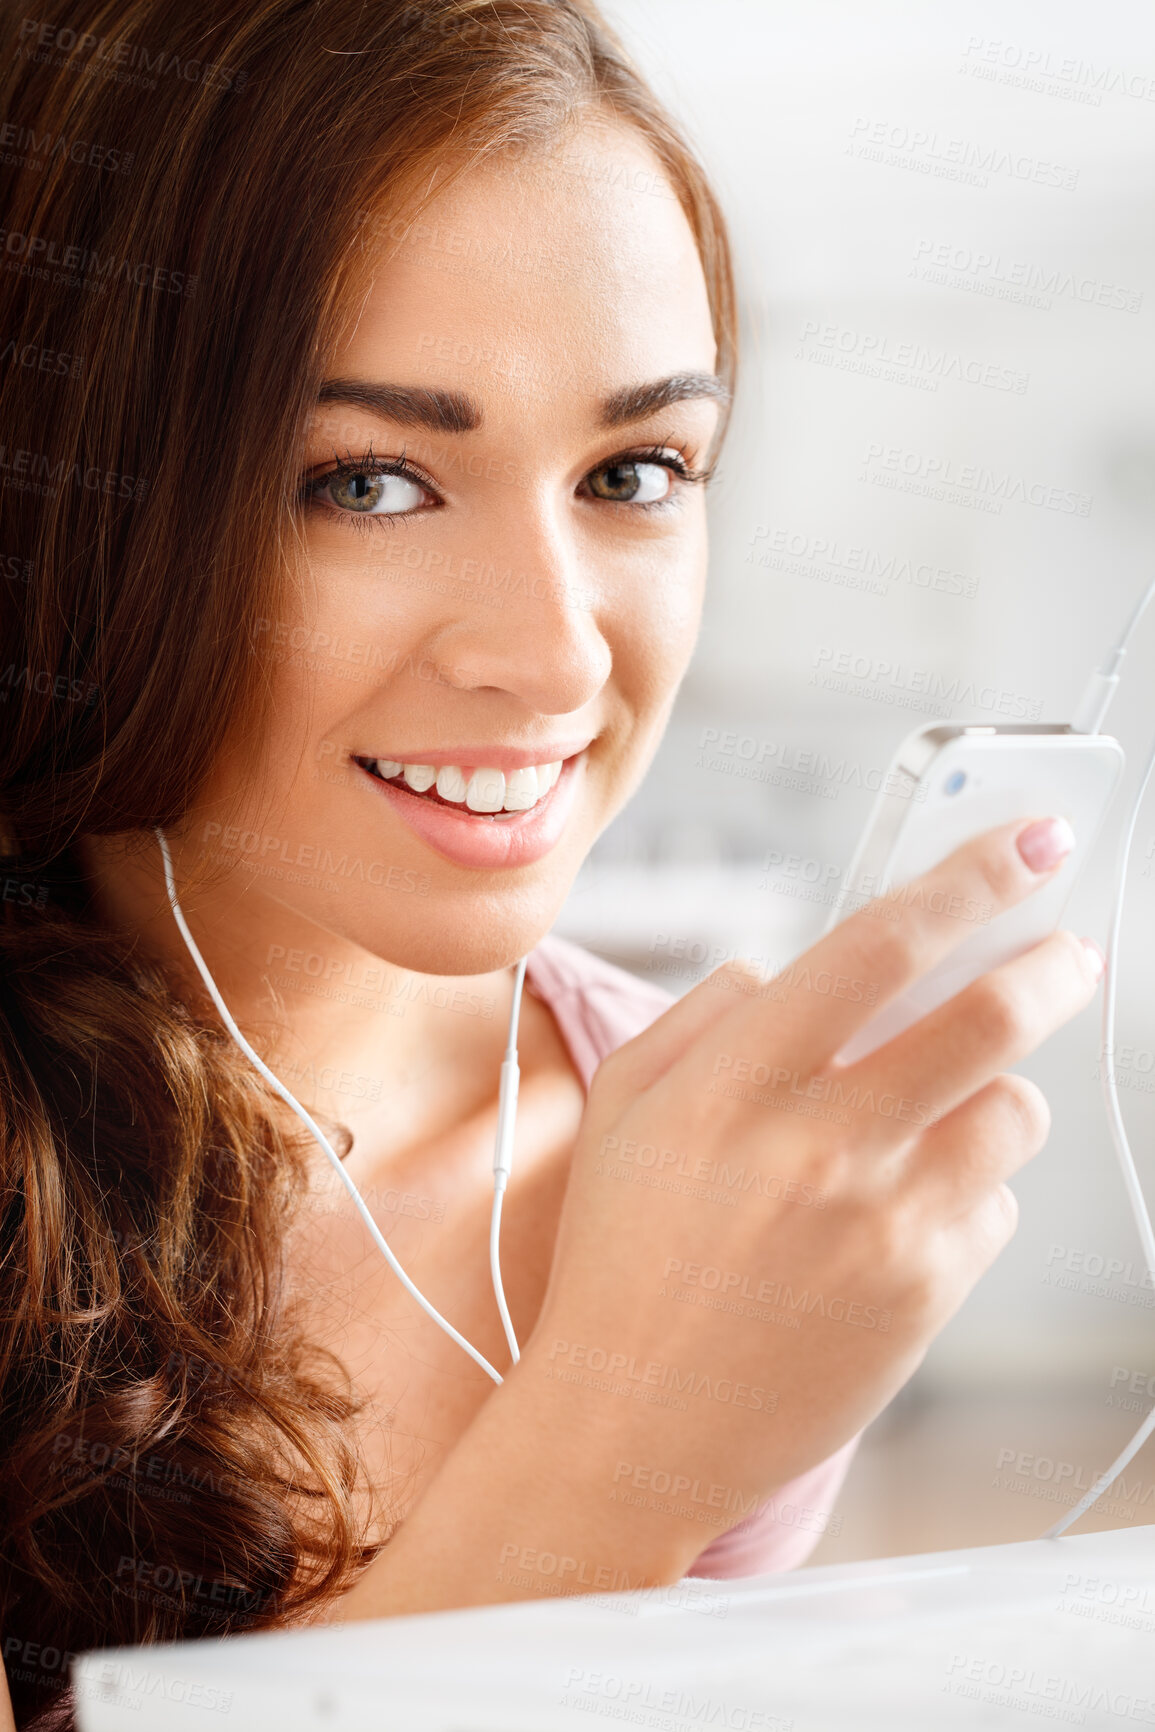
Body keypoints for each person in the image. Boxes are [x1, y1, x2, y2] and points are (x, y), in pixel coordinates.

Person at [0, 2, 1104, 1727]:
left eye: (634, 471)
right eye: (366, 482)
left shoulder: (680, 1182)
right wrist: (619, 1439)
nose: (559, 658)